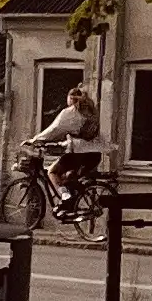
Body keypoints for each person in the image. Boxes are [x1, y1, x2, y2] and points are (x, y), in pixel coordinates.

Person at [20, 77, 106, 221]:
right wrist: (61, 144)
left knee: (52, 171)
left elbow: (54, 130)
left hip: (79, 153)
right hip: (94, 155)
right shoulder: (91, 111)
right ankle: (71, 206)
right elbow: (81, 135)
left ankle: (66, 199)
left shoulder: (70, 112)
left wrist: (34, 140)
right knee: (69, 176)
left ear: (70, 98)